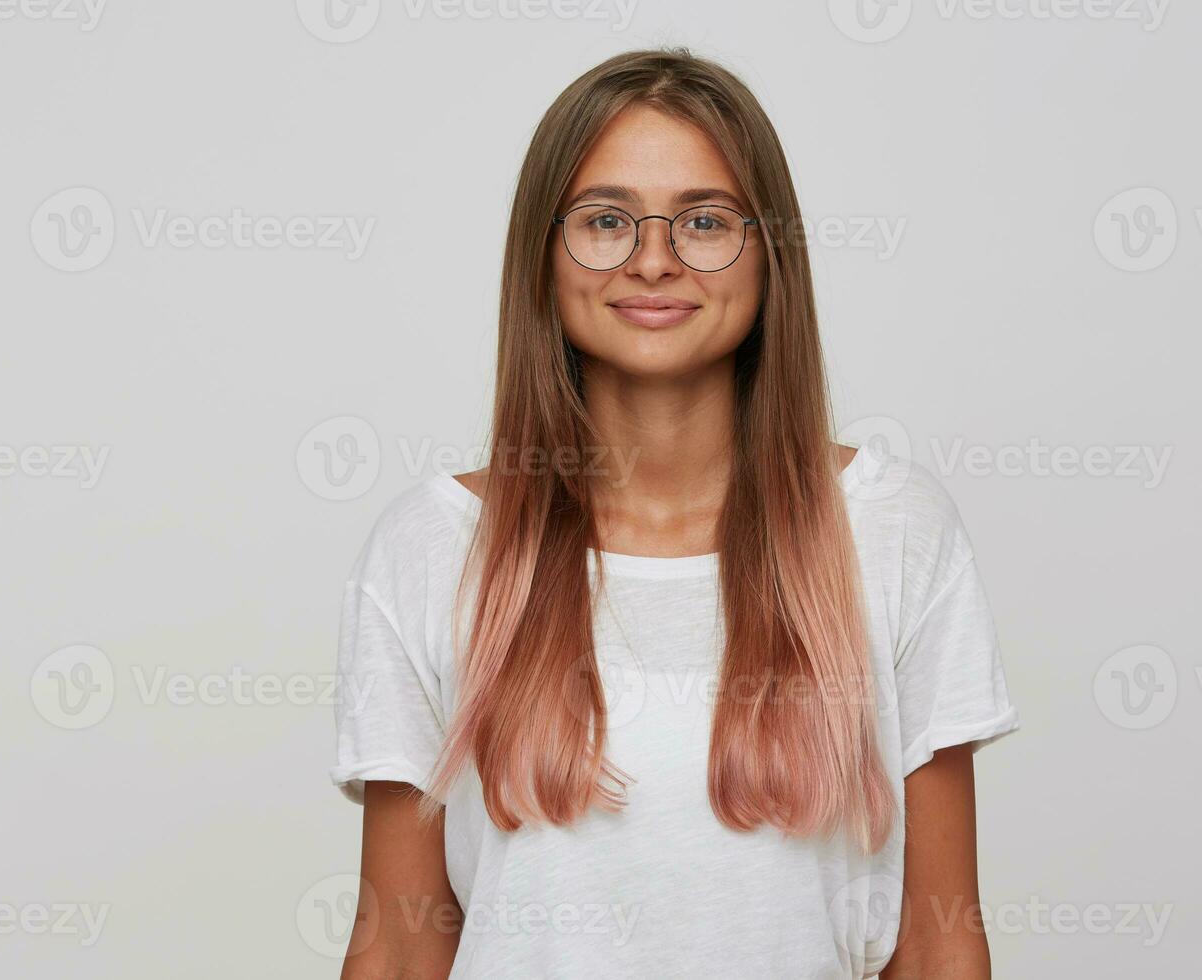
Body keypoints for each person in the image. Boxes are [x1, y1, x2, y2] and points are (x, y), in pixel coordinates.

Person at [330, 46, 1019, 980]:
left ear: (769, 252)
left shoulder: (895, 531)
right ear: (544, 250)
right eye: (607, 220)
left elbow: (939, 941)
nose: (654, 261)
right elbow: (404, 945)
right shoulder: (431, 547)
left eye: (704, 221)